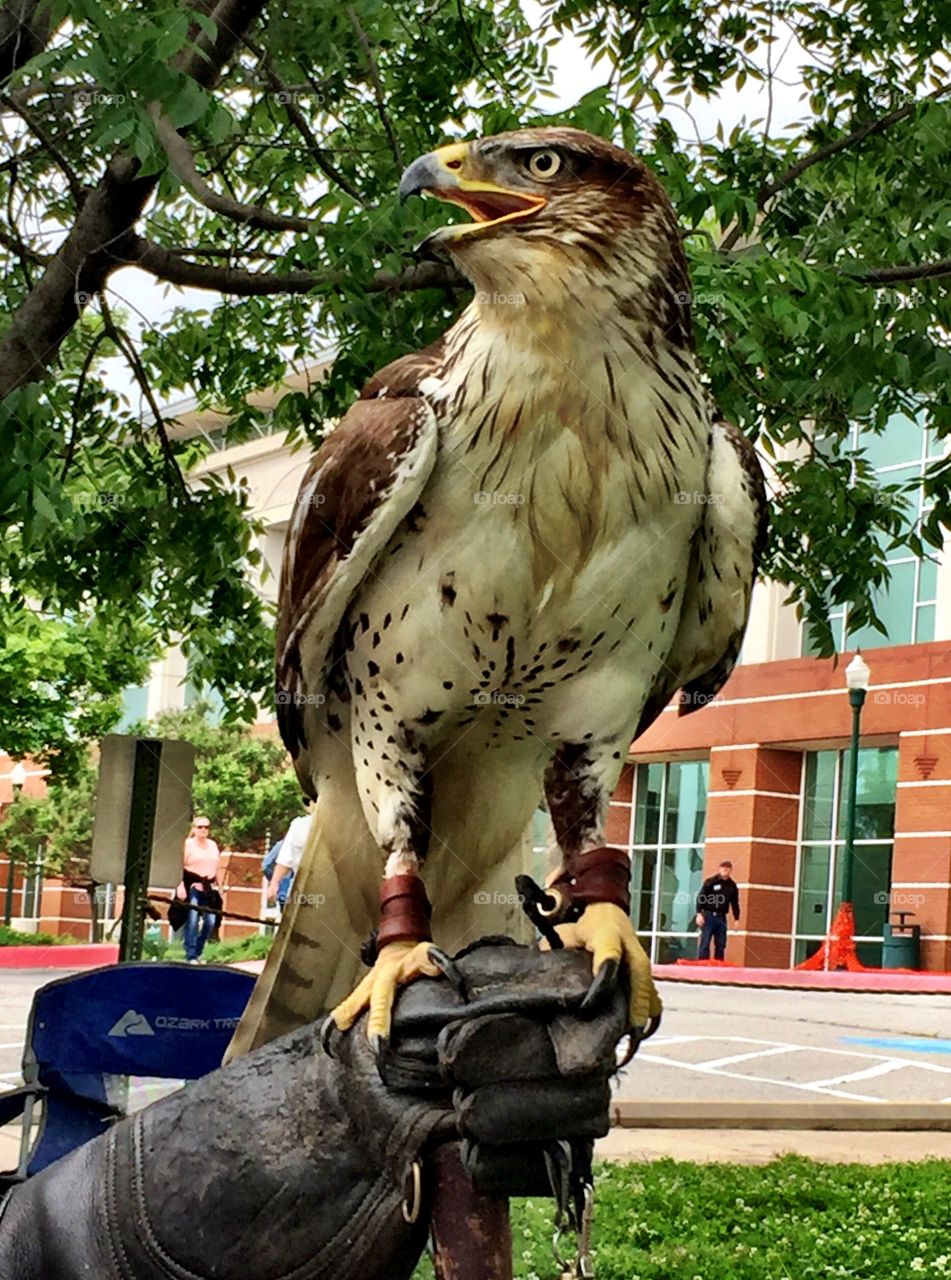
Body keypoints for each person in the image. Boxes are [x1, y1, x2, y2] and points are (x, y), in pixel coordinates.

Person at [178, 816, 222, 963]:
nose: (203, 830)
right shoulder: (188, 844)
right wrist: (180, 886)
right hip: (192, 886)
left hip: (209, 888)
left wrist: (220, 886)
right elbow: (179, 867)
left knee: (210, 921)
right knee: (193, 919)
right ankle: (190, 954)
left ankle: (198, 951)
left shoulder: (213, 845)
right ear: (194, 828)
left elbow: (217, 867)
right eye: (200, 827)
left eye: (206, 827)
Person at [267, 800, 312, 908]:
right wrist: (274, 884)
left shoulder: (299, 826)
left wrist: (274, 884)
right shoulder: (299, 826)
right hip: (303, 888)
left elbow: (284, 860)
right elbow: (285, 860)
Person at [695, 860, 740, 960]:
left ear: (730, 870)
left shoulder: (732, 886)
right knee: (705, 942)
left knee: (721, 944)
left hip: (721, 917)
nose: (724, 870)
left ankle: (718, 966)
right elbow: (701, 897)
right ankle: (702, 965)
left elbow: (735, 903)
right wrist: (699, 914)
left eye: (727, 868)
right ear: (719, 869)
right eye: (723, 868)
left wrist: (737, 919)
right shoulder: (711, 882)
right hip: (709, 916)